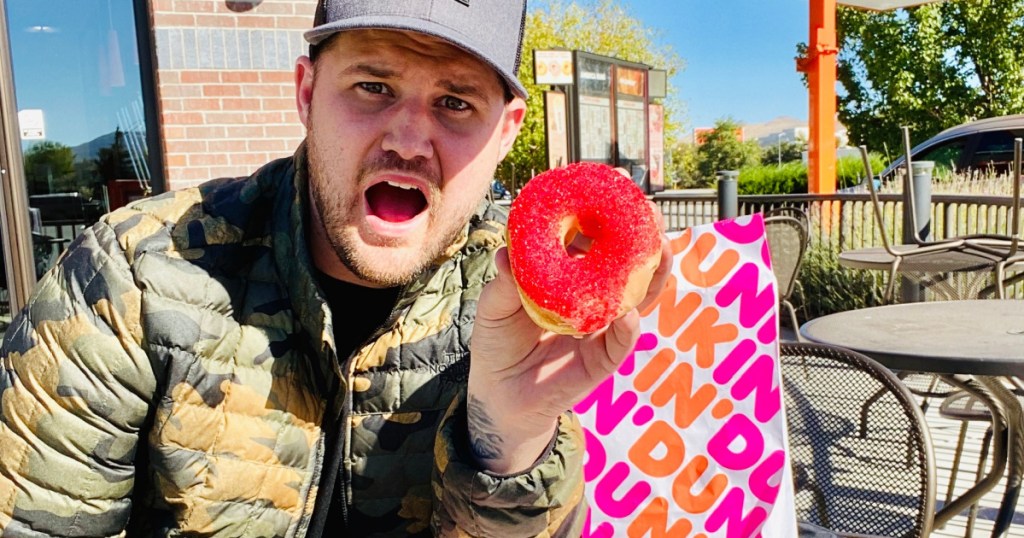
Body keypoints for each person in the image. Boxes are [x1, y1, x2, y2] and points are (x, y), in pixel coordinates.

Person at [0, 1, 670, 536]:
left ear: (506, 132)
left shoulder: (521, 305)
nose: (409, 140)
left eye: (456, 103)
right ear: (307, 91)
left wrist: (509, 443)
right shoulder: (133, 276)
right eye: (373, 86)